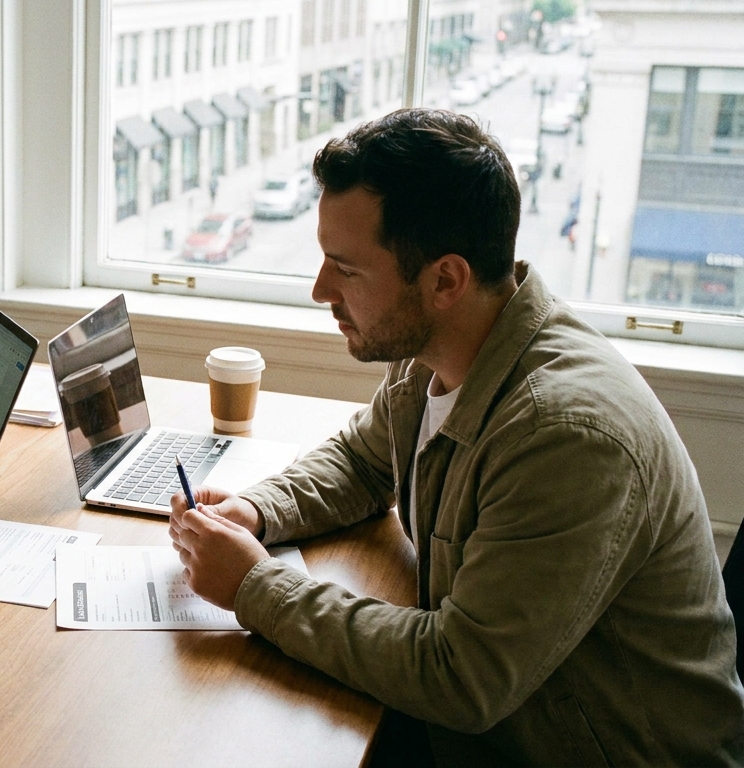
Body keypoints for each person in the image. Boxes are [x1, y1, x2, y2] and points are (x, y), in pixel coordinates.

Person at [168, 108, 744, 765]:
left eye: (345, 269)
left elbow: (460, 676)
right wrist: (257, 512)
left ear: (445, 280)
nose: (319, 289)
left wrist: (253, 586)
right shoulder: (437, 351)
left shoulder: (568, 439)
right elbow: (363, 460)